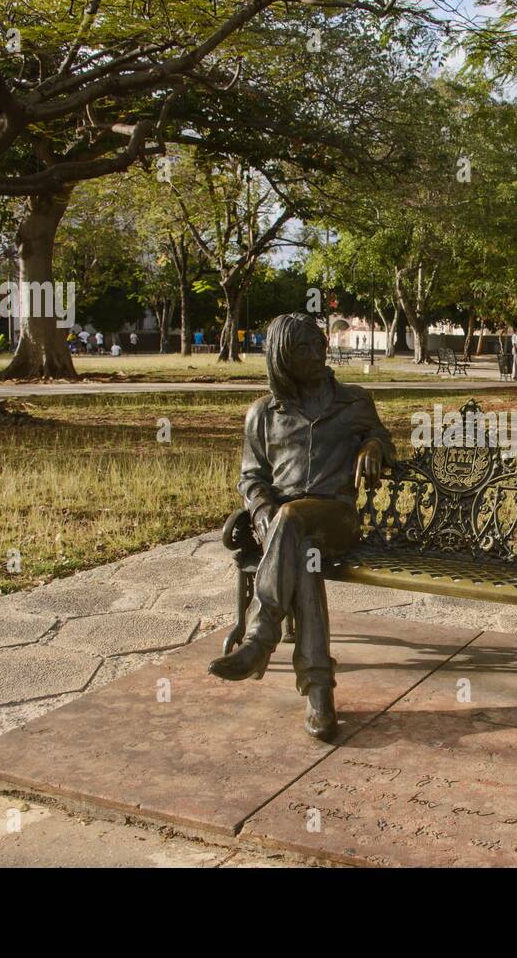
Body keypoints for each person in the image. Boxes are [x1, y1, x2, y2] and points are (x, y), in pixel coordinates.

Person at [206, 313, 395, 741]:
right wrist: (260, 514)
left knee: (294, 522)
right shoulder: (262, 415)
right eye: (303, 349)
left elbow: (388, 443)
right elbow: (251, 479)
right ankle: (319, 694)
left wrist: (372, 445)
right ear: (282, 359)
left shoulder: (353, 401)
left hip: (337, 521)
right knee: (301, 556)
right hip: (289, 532)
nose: (317, 353)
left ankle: (260, 636)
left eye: (318, 342)